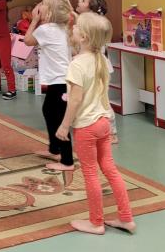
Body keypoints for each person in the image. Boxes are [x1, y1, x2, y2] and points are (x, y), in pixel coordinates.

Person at [57, 12, 136, 235]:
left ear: (83, 37)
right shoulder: (101, 59)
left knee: (90, 173)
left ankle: (96, 222)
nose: (72, 28)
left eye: (76, 26)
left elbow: (75, 100)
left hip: (86, 127)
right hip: (103, 122)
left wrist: (64, 126)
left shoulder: (77, 65)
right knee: (110, 169)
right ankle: (126, 218)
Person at [23, 0, 74, 171]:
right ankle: (55, 149)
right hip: (61, 80)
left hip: (59, 80)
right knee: (48, 110)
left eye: (43, 3)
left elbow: (27, 40)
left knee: (59, 118)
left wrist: (34, 20)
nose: (39, 5)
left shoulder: (46, 30)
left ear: (50, 12)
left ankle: (67, 160)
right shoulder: (62, 28)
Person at [76, 0, 118, 144]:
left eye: (83, 0)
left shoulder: (95, 24)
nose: (79, 1)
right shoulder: (83, 21)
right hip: (89, 66)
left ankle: (112, 132)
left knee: (102, 100)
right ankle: (93, 128)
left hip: (98, 67)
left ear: (91, 7)